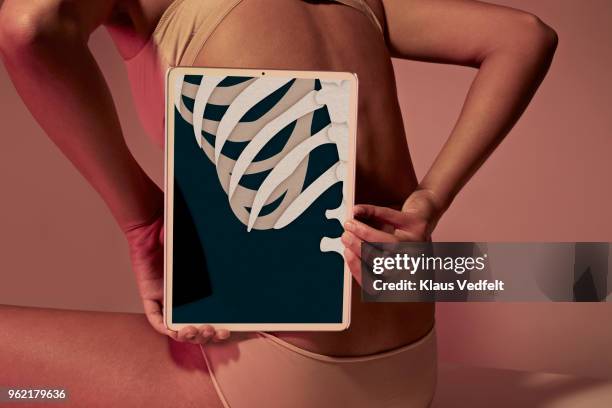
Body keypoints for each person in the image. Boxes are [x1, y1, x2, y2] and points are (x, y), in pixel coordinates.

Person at [0, 0, 557, 406]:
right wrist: (428, 201)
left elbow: (26, 29)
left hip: (283, 382)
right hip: (409, 370)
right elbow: (526, 34)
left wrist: (142, 224)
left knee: (24, 390)